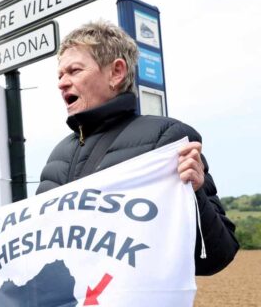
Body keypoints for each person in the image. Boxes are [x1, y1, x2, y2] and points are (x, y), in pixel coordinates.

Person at [34, 20, 238, 275]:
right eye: (60, 75)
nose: (62, 83)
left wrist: (195, 194)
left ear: (116, 72)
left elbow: (217, 256)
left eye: (74, 71)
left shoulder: (167, 139)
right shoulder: (57, 156)